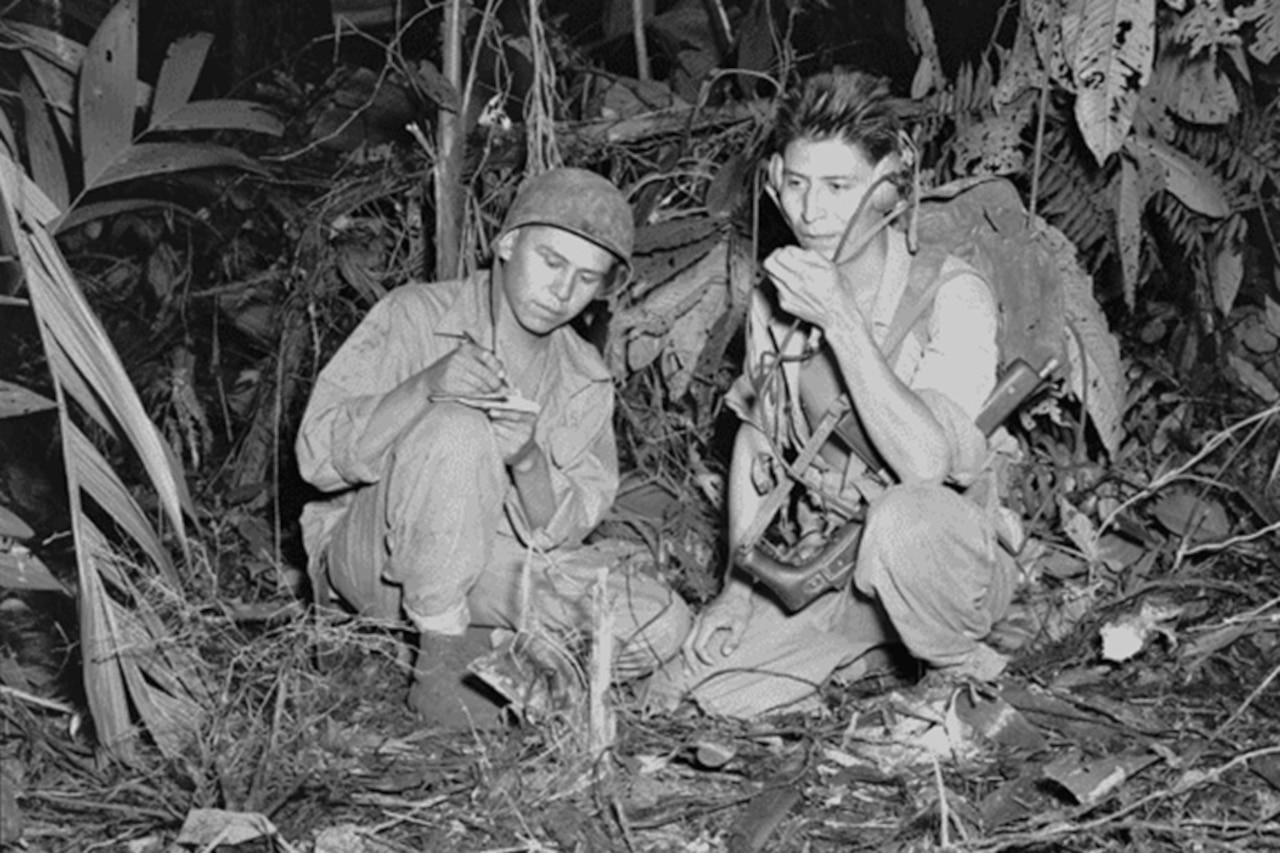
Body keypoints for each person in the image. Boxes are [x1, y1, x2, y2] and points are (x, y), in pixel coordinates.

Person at [646, 70, 1021, 718]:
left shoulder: (950, 294)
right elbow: (758, 442)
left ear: (889, 187)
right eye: (795, 184)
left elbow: (926, 465)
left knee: (903, 520)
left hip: (945, 561)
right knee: (712, 694)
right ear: (773, 181)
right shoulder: (776, 298)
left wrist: (842, 320)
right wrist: (738, 588)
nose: (811, 211)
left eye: (838, 186)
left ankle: (963, 681)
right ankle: (875, 655)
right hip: (837, 562)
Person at [296, 167, 692, 730]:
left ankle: (500, 655)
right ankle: (439, 668)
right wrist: (426, 386)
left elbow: (562, 532)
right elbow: (317, 459)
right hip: (377, 560)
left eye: (585, 278)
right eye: (551, 262)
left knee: (659, 622)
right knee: (456, 427)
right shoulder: (416, 315)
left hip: (488, 567)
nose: (561, 291)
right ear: (508, 243)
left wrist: (527, 460)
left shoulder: (583, 376)